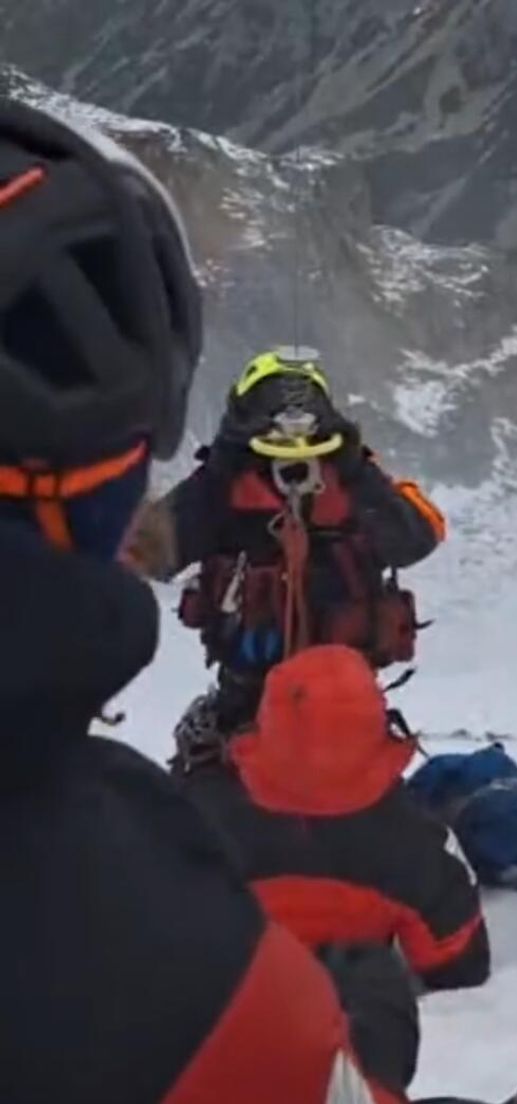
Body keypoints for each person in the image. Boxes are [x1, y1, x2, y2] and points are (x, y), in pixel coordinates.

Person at [0, 100, 393, 1102]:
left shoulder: (287, 501)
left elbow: (145, 551)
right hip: (264, 713)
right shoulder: (157, 950)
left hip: (293, 710)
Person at [124, 347, 445, 766]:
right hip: (283, 705)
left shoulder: (343, 486)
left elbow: (417, 536)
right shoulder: (230, 491)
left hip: (314, 705)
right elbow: (150, 554)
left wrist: (352, 468)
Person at [181, 645, 491, 1067]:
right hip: (358, 1027)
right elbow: (461, 966)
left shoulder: (196, 813)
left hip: (216, 1024)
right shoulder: (416, 843)